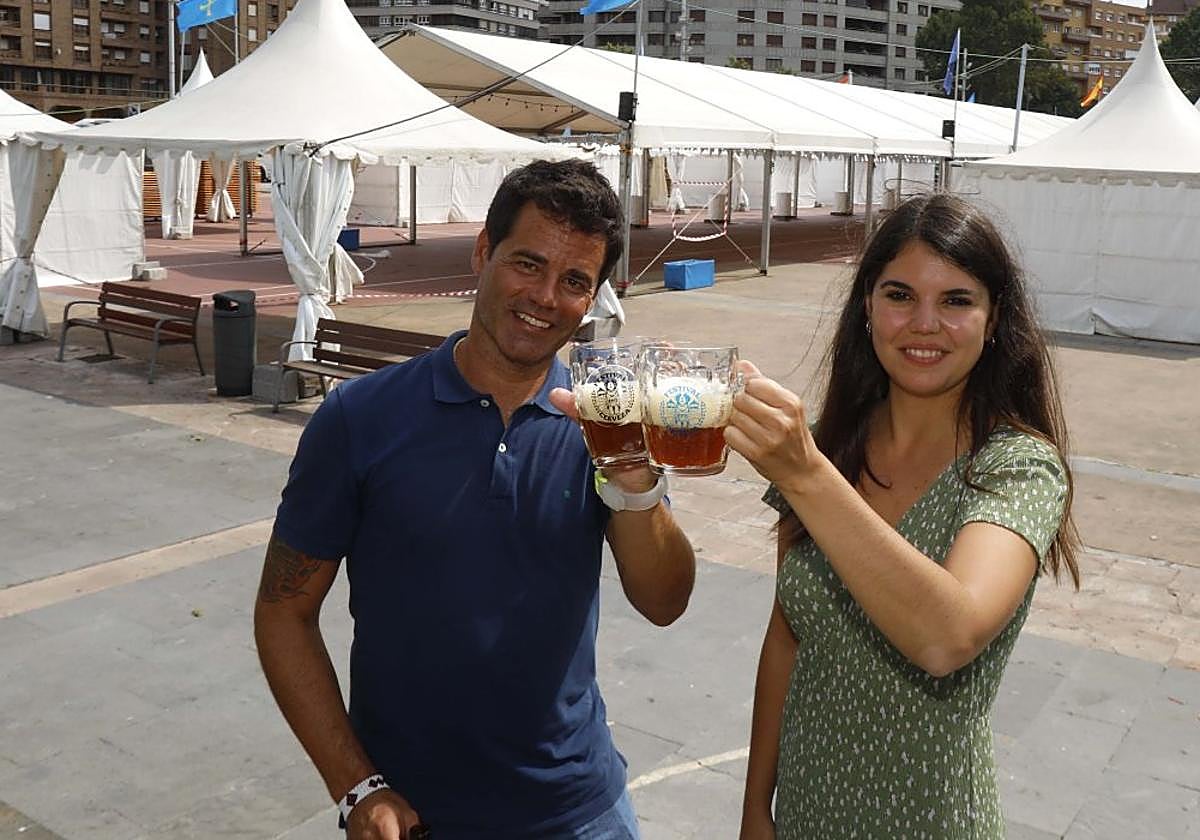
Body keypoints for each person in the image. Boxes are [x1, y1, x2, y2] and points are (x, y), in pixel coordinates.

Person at [254, 159, 695, 840]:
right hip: (414, 818)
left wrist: (636, 481)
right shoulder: (360, 420)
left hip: (580, 811)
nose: (546, 296)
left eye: (575, 281)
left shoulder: (601, 426)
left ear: (595, 299)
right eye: (528, 263)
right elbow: (284, 611)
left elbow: (664, 602)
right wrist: (355, 787)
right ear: (484, 251)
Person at [727, 193, 1080, 840]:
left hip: (930, 821)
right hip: (808, 811)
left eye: (956, 301)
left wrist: (804, 473)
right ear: (866, 306)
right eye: (899, 296)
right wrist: (756, 807)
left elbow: (947, 637)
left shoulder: (1018, 468)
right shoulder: (832, 446)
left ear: (994, 316)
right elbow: (786, 636)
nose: (924, 323)